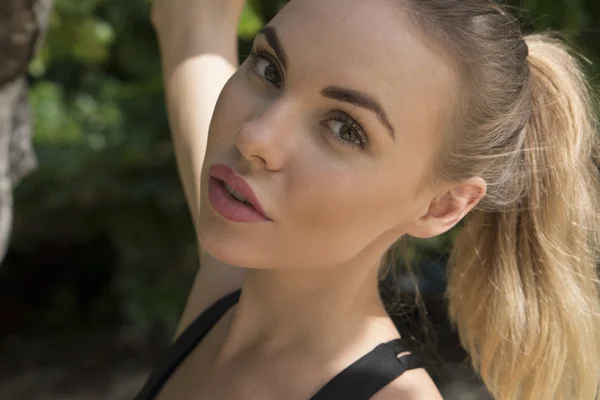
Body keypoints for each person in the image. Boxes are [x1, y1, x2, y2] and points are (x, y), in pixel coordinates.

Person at [138, 0, 600, 398]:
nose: (253, 136)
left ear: (443, 205)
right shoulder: (228, 291)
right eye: (269, 68)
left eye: (345, 128)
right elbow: (192, 21)